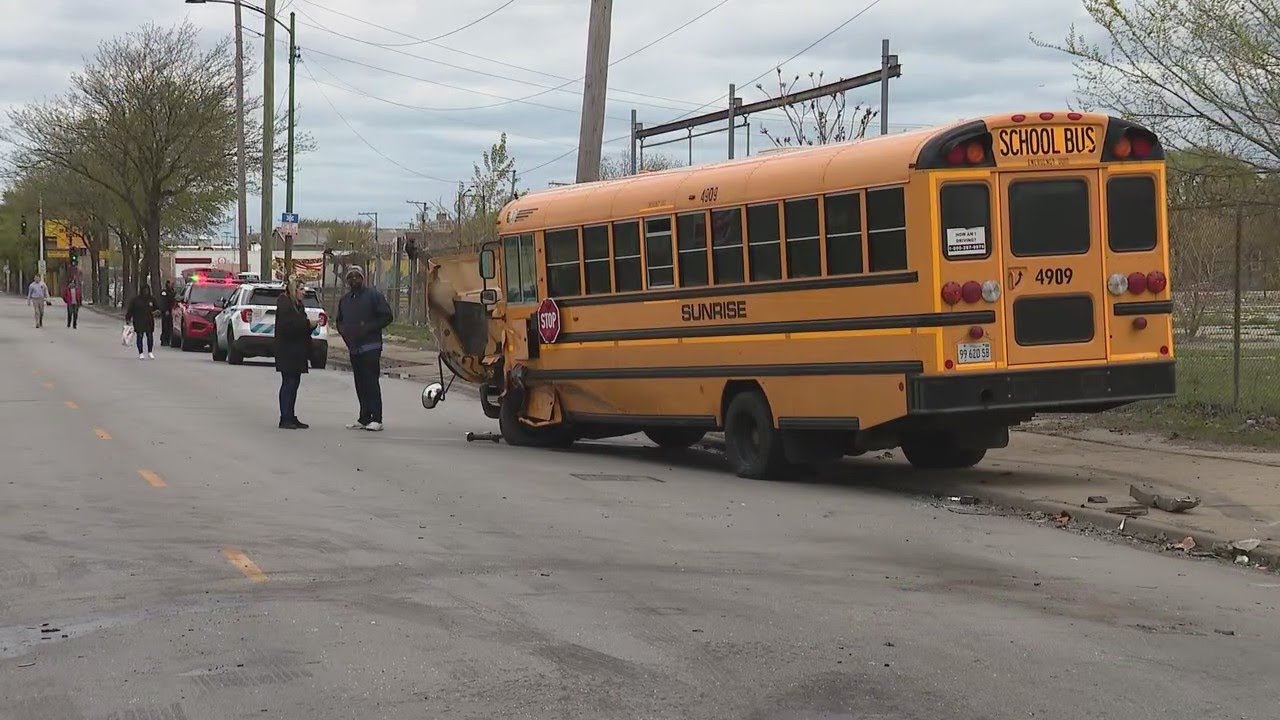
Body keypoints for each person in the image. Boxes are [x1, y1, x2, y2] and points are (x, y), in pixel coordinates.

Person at [336, 266, 393, 431]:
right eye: (351, 277)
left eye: (357, 276)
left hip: (371, 347)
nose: (354, 279)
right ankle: (364, 417)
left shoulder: (374, 296)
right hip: (354, 347)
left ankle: (377, 417)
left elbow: (387, 316)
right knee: (360, 383)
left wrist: (367, 327)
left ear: (363, 278)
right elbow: (339, 320)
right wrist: (344, 333)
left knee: (370, 382)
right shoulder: (345, 300)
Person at [274, 278, 317, 429]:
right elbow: (289, 327)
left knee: (294, 384)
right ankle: (285, 417)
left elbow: (301, 328)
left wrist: (310, 326)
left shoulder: (298, 306)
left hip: (298, 351)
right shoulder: (285, 305)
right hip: (287, 351)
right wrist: (307, 324)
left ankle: (291, 415)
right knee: (288, 384)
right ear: (294, 290)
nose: (304, 292)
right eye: (301, 289)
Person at [124, 285, 159, 360]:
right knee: (139, 336)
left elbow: (157, 308)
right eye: (144, 290)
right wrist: (128, 318)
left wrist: (157, 312)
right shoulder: (136, 300)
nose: (146, 292)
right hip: (138, 320)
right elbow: (130, 310)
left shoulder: (152, 299)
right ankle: (141, 353)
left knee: (150, 336)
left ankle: (150, 351)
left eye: (147, 290)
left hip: (149, 321)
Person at [159, 280, 177, 346]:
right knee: (165, 326)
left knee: (170, 326)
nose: (172, 285)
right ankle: (164, 340)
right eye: (171, 284)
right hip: (166, 311)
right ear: (167, 284)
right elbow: (163, 301)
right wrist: (165, 310)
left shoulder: (172, 291)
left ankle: (169, 339)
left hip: (171, 311)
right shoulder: (164, 292)